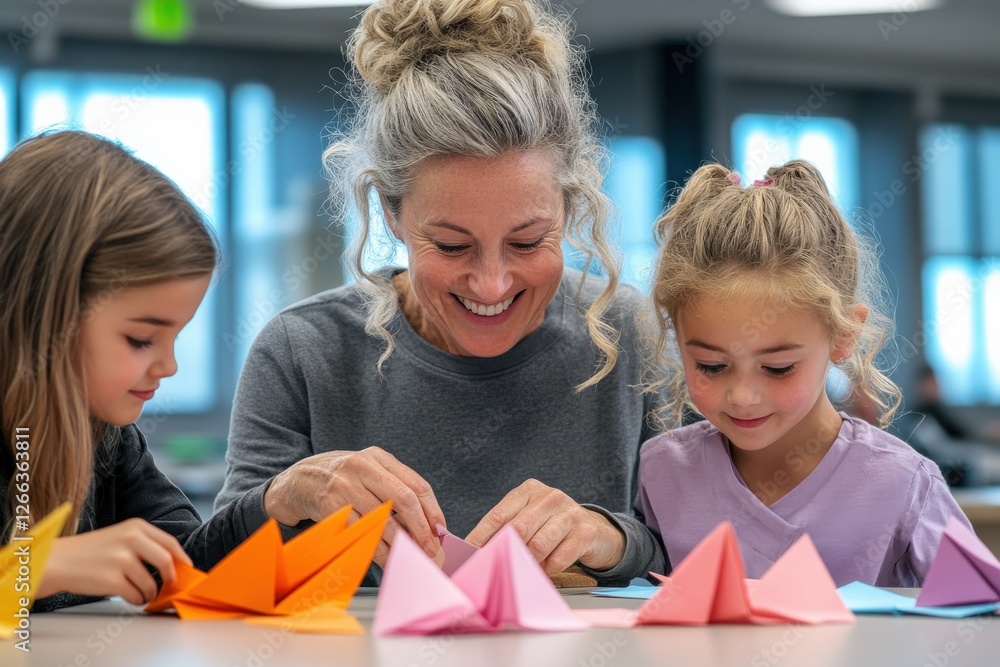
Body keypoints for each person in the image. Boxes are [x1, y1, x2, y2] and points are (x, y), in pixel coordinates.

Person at [215, 0, 664, 585]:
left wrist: (610, 539)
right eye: (452, 247)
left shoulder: (628, 332)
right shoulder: (303, 350)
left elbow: (702, 553)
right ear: (391, 214)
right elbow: (216, 569)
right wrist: (287, 493)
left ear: (571, 209)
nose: (492, 284)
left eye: (528, 243)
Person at [630, 161, 971, 587]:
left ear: (844, 336)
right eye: (711, 366)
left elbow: (980, 622)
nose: (742, 396)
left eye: (777, 367)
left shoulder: (903, 484)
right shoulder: (663, 470)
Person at [0, 131, 255, 611]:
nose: (169, 365)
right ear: (42, 312)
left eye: (176, 336)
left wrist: (274, 502)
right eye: (141, 339)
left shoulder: (107, 435)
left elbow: (186, 563)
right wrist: (34, 566)